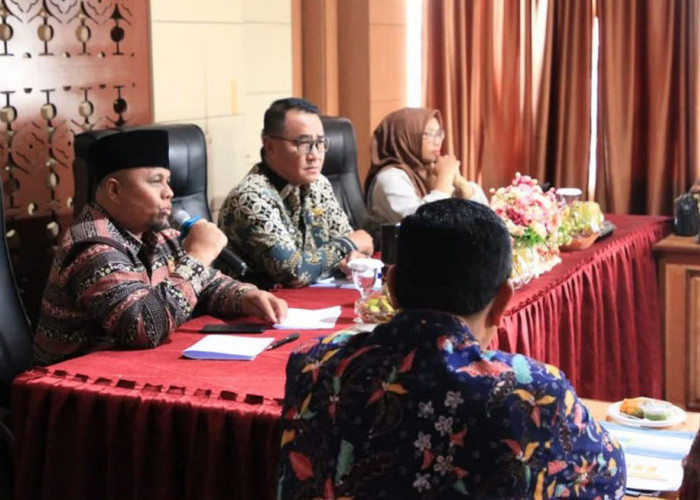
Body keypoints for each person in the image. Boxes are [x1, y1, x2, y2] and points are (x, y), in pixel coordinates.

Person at [278, 199, 625, 498]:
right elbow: (607, 479)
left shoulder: (314, 365)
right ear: (503, 301)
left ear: (391, 287)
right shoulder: (534, 391)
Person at [34, 130, 287, 365]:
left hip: (129, 369)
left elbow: (204, 284)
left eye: (168, 181)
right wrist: (199, 255)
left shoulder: (157, 232)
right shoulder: (92, 246)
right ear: (114, 190)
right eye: (156, 182)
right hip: (74, 384)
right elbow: (144, 327)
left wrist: (244, 297)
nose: (169, 192)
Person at [217, 98, 373, 288]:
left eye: (320, 143)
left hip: (312, 297)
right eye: (304, 143)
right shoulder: (250, 198)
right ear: (270, 146)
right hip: (261, 303)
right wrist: (347, 246)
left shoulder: (319, 184)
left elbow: (357, 243)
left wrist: (354, 257)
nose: (315, 155)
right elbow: (294, 272)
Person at [365, 107, 488, 231]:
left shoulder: (429, 171)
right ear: (405, 138)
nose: (438, 142)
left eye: (439, 134)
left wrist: (460, 183)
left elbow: (486, 218)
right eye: (430, 135)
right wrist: (444, 178)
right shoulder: (390, 177)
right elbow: (420, 223)